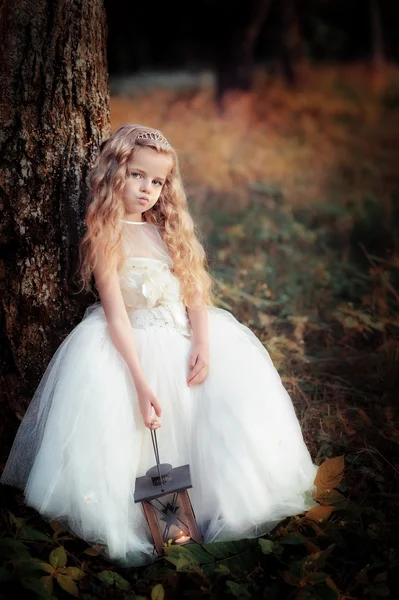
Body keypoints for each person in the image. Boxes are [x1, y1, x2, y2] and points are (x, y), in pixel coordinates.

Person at [0, 124, 319, 567]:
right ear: (114, 173)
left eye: (158, 181)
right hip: (135, 346)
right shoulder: (106, 235)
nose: (147, 189)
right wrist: (141, 381)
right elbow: (116, 316)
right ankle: (151, 526)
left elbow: (194, 292)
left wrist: (203, 342)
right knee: (145, 438)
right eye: (137, 175)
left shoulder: (167, 230)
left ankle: (211, 513)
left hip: (185, 341)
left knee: (216, 423)